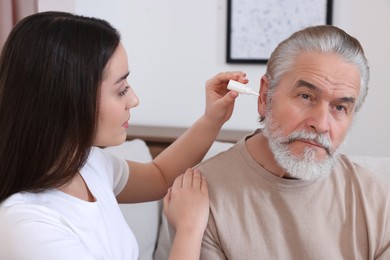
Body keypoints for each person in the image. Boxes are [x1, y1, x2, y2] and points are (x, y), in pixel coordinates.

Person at [0, 11, 248, 260]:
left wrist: (212, 119)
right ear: (69, 99)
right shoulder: (28, 228)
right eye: (121, 90)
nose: (134, 100)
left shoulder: (87, 165)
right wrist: (189, 228)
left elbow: (160, 176)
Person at [197, 25, 390, 259]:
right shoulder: (201, 196)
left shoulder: (378, 202)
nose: (321, 124)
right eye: (306, 96)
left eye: (340, 107)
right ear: (265, 96)